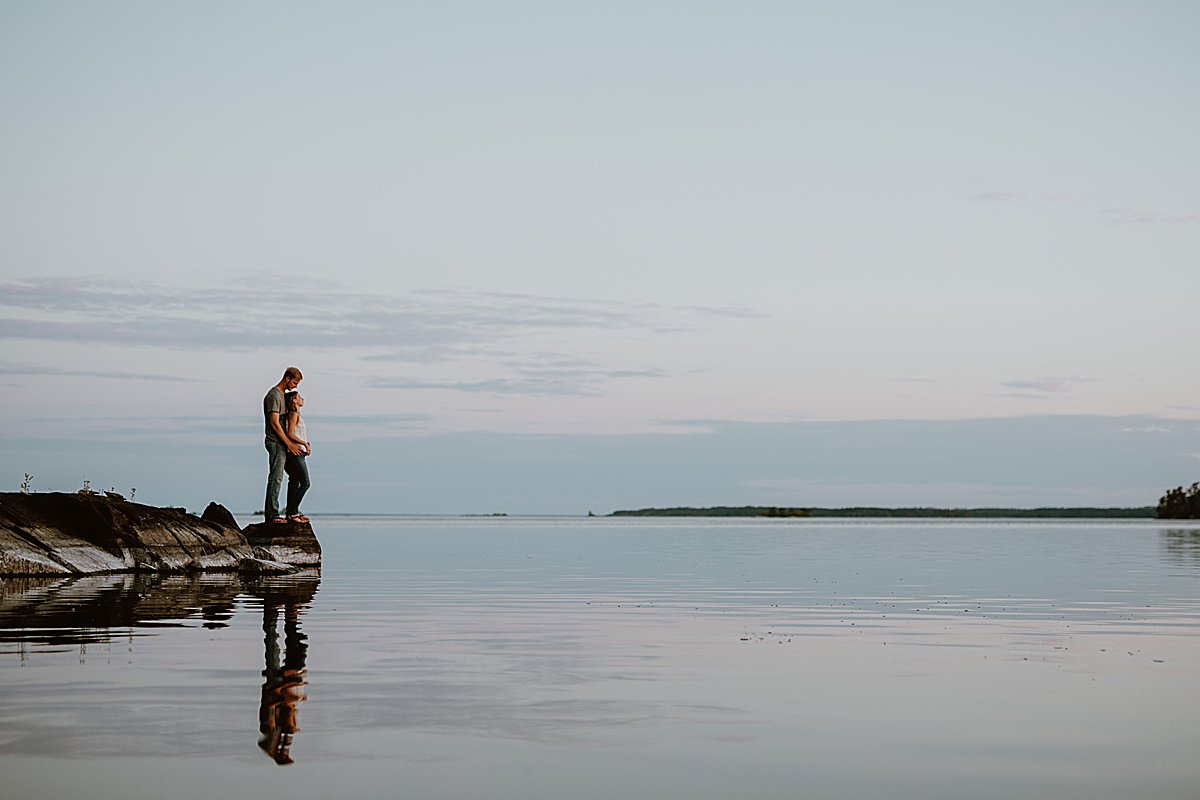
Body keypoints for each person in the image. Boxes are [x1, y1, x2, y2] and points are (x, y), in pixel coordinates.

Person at [263, 367, 303, 523]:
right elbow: (274, 423)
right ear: (287, 378)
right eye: (294, 382)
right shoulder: (274, 395)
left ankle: (292, 512)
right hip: (275, 442)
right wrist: (289, 444)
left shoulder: (282, 396)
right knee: (276, 477)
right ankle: (272, 514)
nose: (295, 387)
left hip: (284, 444)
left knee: (296, 476)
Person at [282, 390, 311, 524]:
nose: (302, 398)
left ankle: (291, 513)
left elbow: (296, 434)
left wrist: (306, 443)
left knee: (294, 482)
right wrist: (303, 443)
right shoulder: (293, 414)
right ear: (294, 400)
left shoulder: (296, 414)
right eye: (299, 397)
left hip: (299, 453)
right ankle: (293, 512)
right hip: (296, 454)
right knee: (305, 483)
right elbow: (290, 433)